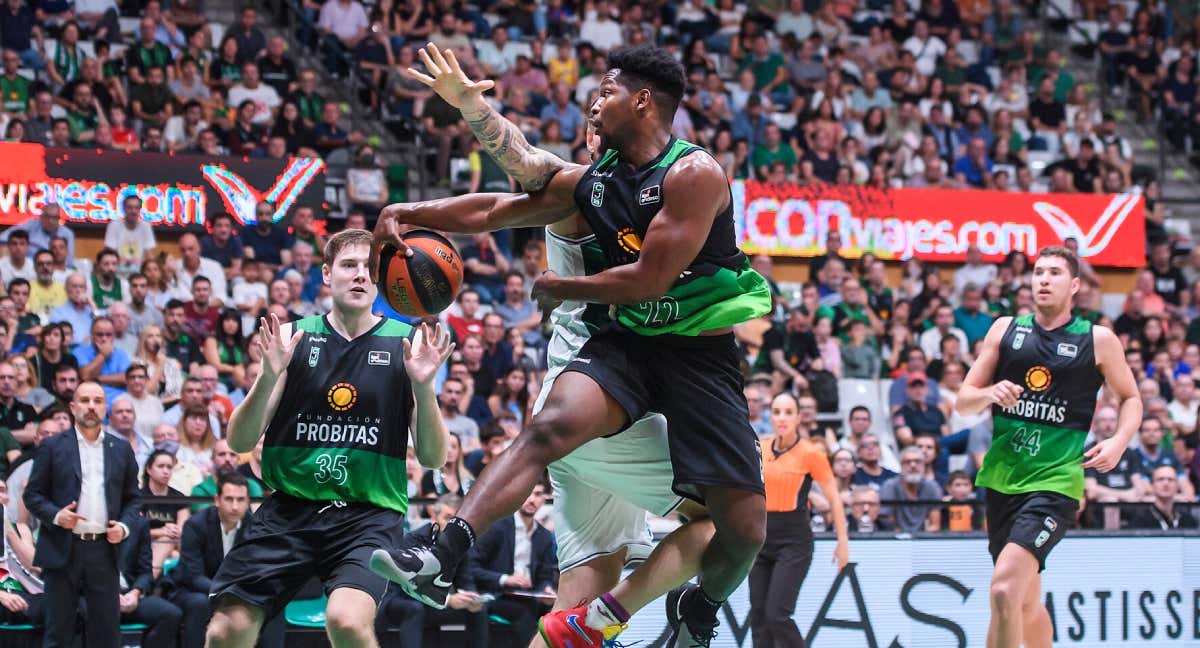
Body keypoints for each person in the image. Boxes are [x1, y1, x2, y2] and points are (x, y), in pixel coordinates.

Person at [373, 44, 772, 648]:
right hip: (626, 342)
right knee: (550, 426)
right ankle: (443, 548)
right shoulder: (595, 179)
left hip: (696, 357)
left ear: (641, 100)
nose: (592, 106)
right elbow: (498, 208)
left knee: (743, 531)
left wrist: (566, 286)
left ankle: (697, 604)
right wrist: (408, 210)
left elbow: (651, 279)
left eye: (604, 94)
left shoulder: (693, 173)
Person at [204, 229, 454, 648]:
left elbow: (432, 458)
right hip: (288, 510)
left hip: (368, 517)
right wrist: (266, 378)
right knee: (226, 630)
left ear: (379, 280)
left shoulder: (407, 345)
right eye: (349, 265)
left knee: (347, 622)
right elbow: (240, 439)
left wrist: (425, 389)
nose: (359, 276)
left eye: (368, 269)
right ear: (326, 274)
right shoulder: (291, 338)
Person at [955, 246, 1141, 648]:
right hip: (1003, 481)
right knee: (1022, 603)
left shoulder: (1098, 339)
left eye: (1054, 273)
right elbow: (963, 400)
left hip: (1055, 484)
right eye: (1039, 271)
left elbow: (1132, 398)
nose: (1043, 279)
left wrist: (1119, 442)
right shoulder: (1005, 330)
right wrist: (989, 392)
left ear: (1074, 285)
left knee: (1003, 590)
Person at [23, 381, 142, 648]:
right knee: (58, 632)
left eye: (98, 400)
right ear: (73, 406)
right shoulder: (52, 446)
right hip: (62, 548)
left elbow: (134, 500)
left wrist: (123, 527)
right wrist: (56, 516)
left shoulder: (120, 449)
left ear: (105, 407)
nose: (91, 406)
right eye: (85, 400)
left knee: (107, 634)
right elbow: (32, 496)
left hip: (104, 549)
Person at [751, 392, 848, 648]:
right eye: (777, 412)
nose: (782, 418)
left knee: (777, 615)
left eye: (788, 412)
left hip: (794, 541)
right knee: (759, 617)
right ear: (769, 416)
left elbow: (834, 498)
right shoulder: (759, 447)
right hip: (760, 538)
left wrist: (843, 541)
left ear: (798, 417)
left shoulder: (811, 453)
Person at [170, 471, 283, 648]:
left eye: (240, 500)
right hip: (196, 590)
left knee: (273, 603)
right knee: (199, 603)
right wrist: (227, 592)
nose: (235, 506)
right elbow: (193, 576)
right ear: (217, 500)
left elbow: (258, 570)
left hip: (235, 590)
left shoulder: (255, 528)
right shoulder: (195, 525)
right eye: (229, 499)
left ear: (248, 502)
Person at [471, 482, 558, 645]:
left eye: (538, 494)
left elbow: (545, 576)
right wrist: (505, 579)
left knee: (557, 615)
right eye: (528, 493)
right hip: (496, 595)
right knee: (526, 615)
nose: (532, 500)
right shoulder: (496, 527)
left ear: (545, 499)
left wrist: (546, 589)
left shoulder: (544, 536)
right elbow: (472, 568)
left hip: (530, 596)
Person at [117, 515, 184, 645]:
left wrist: (135, 592)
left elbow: (145, 571)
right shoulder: (91, 523)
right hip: (98, 596)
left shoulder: (138, 523)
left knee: (171, 614)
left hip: (131, 595)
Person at [879, 445, 944, 532]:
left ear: (924, 465)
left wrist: (920, 540)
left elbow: (935, 525)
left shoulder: (932, 487)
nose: (913, 465)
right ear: (901, 466)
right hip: (896, 539)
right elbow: (888, 524)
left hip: (923, 539)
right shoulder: (890, 486)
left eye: (917, 461)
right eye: (907, 462)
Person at [1129, 465, 1198, 530]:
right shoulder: (1140, 520)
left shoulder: (1187, 520)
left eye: (1170, 479)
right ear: (1152, 485)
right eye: (1160, 479)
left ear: (1177, 486)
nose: (1165, 483)